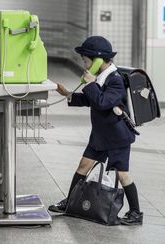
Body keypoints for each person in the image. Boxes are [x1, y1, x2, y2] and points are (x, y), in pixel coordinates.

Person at [48, 36, 143, 225]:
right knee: (83, 165)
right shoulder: (101, 77)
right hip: (101, 135)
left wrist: (90, 83)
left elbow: (102, 102)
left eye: (85, 60)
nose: (83, 64)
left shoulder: (116, 80)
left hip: (117, 137)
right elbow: (88, 99)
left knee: (122, 174)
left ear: (97, 60)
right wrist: (68, 94)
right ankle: (70, 203)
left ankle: (135, 213)